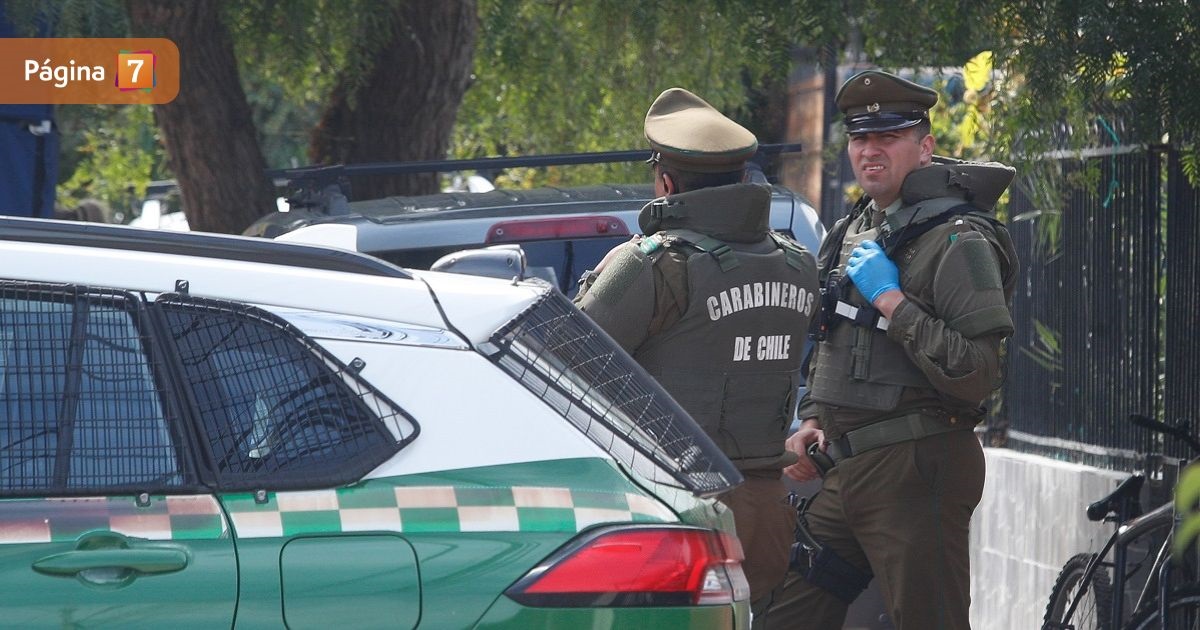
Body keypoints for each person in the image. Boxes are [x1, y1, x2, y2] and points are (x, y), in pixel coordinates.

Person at [768, 70, 1019, 629]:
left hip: (915, 469)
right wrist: (812, 415)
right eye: (860, 139)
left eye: (888, 137)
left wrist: (891, 300)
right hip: (842, 465)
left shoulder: (960, 239)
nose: (869, 151)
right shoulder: (855, 227)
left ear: (924, 147)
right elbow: (832, 335)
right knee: (787, 614)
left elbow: (977, 372)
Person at [574, 87, 819, 620]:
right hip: (764, 517)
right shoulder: (798, 263)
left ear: (666, 182)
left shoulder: (655, 264)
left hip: (674, 515)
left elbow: (565, 367)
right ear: (741, 179)